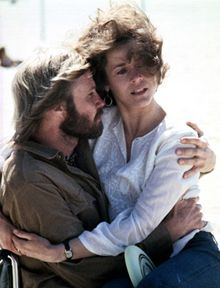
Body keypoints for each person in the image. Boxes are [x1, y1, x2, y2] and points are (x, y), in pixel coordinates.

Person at [9, 3, 220, 288]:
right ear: (105, 81)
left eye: (144, 63)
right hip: (133, 256)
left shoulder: (178, 141)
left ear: (157, 68)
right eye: (122, 70)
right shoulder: (98, 125)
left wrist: (62, 251)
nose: (137, 78)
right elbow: (20, 146)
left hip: (188, 249)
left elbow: (138, 225)